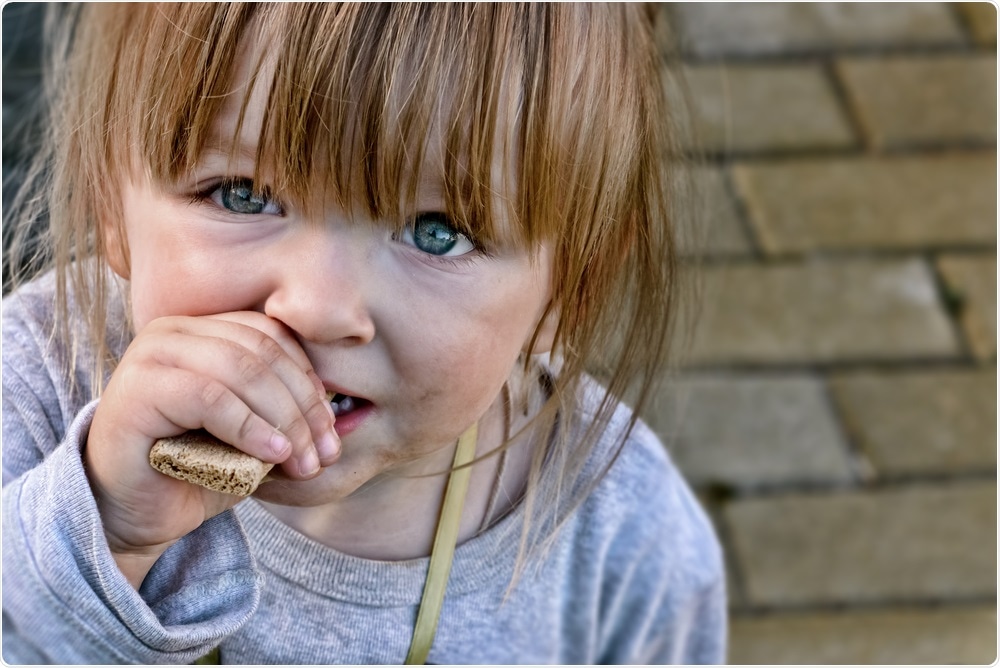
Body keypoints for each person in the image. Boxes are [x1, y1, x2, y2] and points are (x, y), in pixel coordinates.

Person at [1, 3, 726, 664]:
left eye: (438, 232)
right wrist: (105, 533)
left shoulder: (627, 544)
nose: (315, 307)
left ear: (571, 287)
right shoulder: (31, 388)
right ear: (109, 204)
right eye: (242, 194)